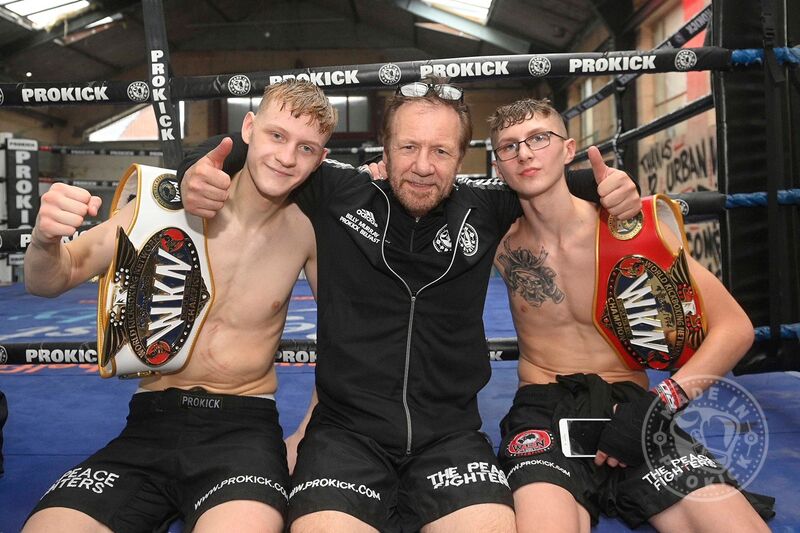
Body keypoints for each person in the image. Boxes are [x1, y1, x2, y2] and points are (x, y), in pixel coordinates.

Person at [177, 79, 641, 533]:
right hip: (345, 437)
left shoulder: (487, 207)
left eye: (440, 151)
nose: (422, 166)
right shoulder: (337, 192)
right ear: (385, 149)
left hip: (451, 439)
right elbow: (263, 150)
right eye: (407, 147)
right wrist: (195, 167)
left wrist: (608, 187)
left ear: (462, 158)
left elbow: (550, 181)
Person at [21, 79, 337, 533]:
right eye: (277, 135)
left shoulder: (308, 232)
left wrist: (305, 436)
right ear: (249, 128)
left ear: (321, 159)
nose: (287, 157)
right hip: (150, 420)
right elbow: (50, 279)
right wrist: (46, 239)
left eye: (306, 148)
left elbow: (341, 339)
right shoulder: (164, 204)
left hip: (244, 430)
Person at [488, 98, 774, 532]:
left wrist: (661, 407)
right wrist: (373, 176)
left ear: (569, 150)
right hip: (543, 407)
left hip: (636, 406)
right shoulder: (496, 243)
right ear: (499, 166)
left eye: (539, 138)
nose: (524, 153)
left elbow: (735, 328)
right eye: (509, 146)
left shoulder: (629, 229)